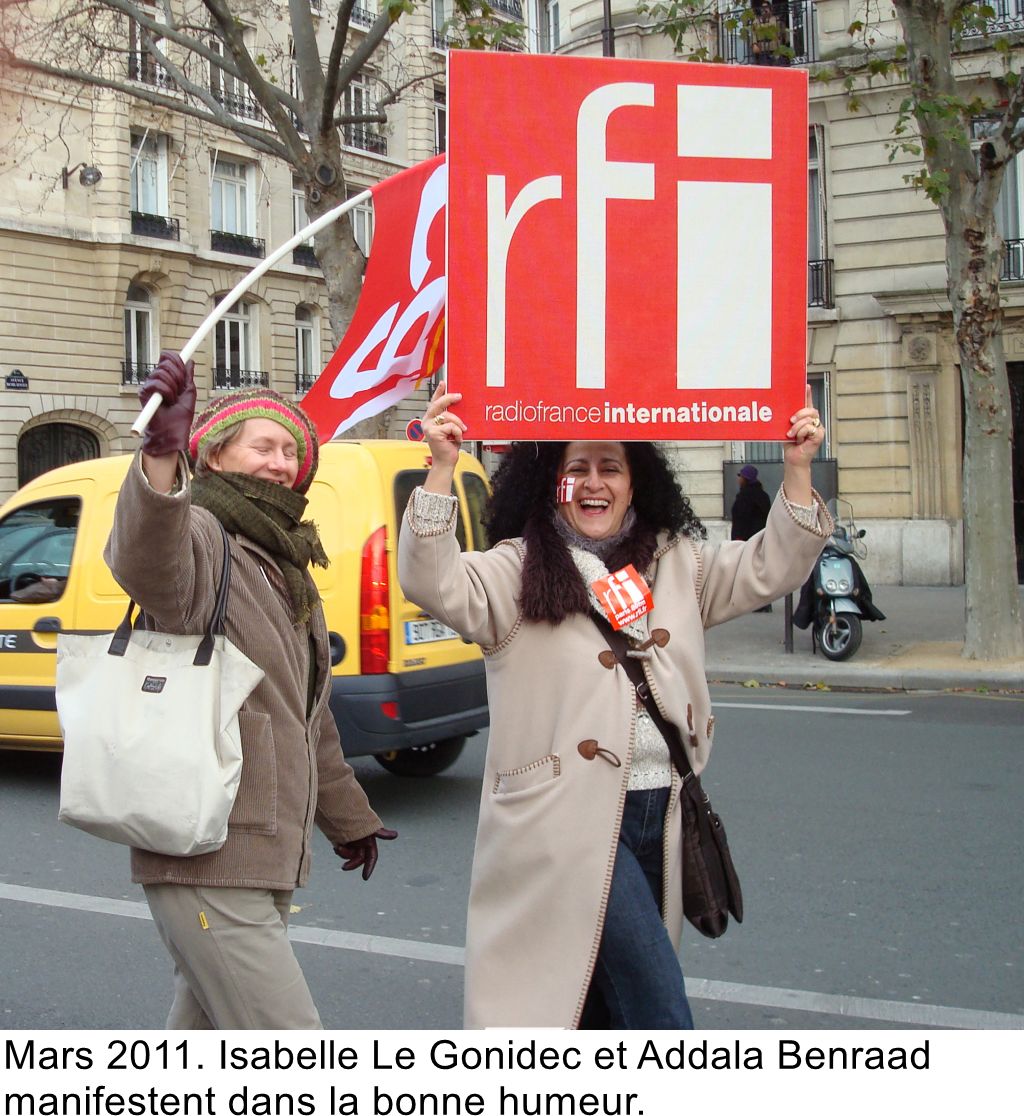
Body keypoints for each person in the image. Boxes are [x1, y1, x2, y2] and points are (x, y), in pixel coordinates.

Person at [398, 385, 831, 1029]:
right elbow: (430, 580)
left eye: (611, 468)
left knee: (603, 1012)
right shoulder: (513, 571)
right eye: (577, 468)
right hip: (559, 826)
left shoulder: (678, 563)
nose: (594, 483)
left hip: (663, 812)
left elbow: (771, 567)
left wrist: (796, 468)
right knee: (659, 1007)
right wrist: (441, 469)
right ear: (552, 484)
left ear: (635, 484)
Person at [105, 351, 396, 1029]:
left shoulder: (284, 563)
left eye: (291, 451)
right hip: (211, 857)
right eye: (263, 446)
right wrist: (159, 456)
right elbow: (149, 563)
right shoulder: (205, 535)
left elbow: (306, 715)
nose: (281, 463)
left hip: (261, 855)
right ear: (213, 455)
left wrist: (349, 819)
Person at [731, 463, 774, 611]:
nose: (739, 479)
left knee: (748, 571)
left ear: (746, 479)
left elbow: (741, 518)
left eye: (741, 476)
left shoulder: (745, 496)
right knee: (759, 570)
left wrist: (738, 539)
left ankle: (753, 601)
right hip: (761, 538)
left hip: (746, 539)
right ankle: (763, 602)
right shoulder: (763, 496)